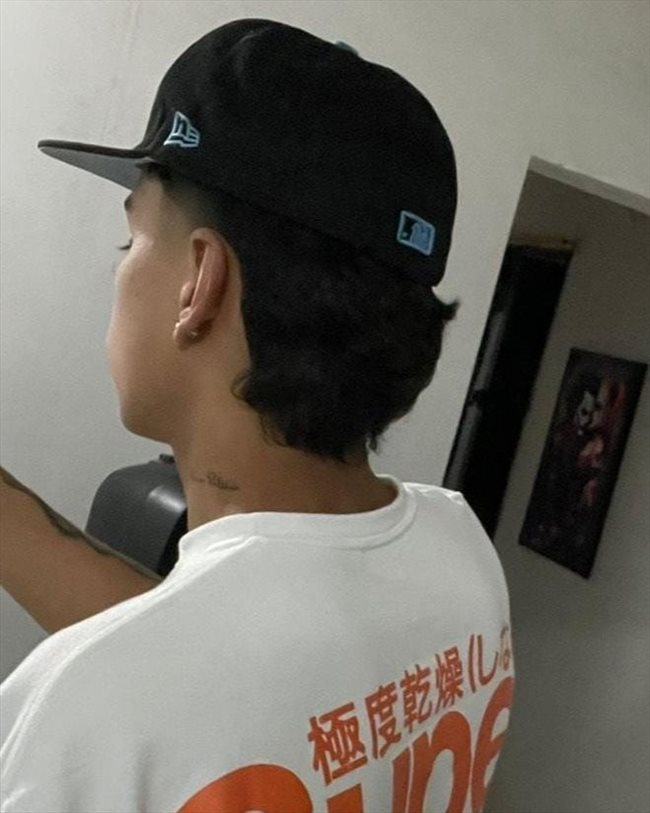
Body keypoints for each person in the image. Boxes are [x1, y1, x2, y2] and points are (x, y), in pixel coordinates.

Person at [0, 18, 515, 812]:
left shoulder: (75, 733)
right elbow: (206, 665)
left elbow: (163, 680)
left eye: (131, 240)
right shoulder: (462, 559)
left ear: (199, 282)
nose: (120, 272)